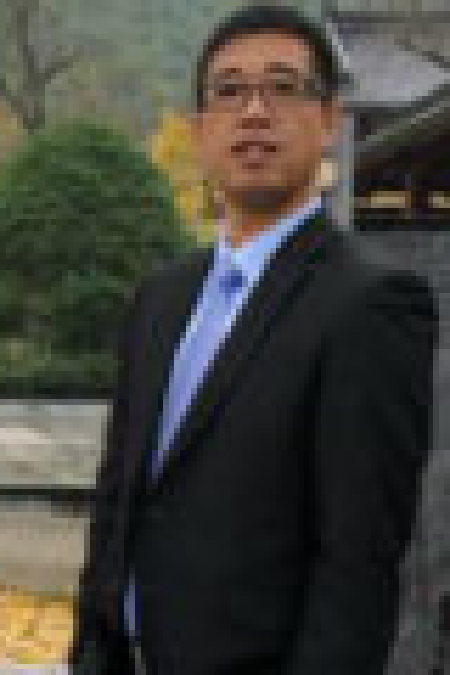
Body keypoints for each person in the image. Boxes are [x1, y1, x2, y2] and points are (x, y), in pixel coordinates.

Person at [68, 4, 438, 674]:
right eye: (230, 90)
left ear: (328, 120)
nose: (254, 111)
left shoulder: (370, 304)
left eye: (283, 87)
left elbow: (357, 565)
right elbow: (118, 497)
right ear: (200, 128)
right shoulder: (159, 298)